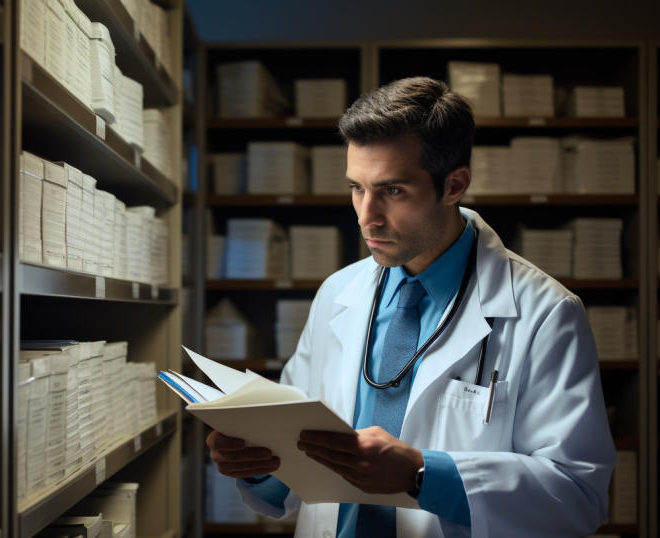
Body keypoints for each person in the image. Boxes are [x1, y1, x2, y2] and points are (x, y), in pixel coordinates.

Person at [206, 77, 615, 537]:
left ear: (454, 185)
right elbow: (298, 456)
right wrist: (257, 463)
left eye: (392, 191)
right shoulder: (338, 294)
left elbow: (578, 496)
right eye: (356, 188)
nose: (366, 215)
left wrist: (422, 476)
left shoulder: (546, 313)